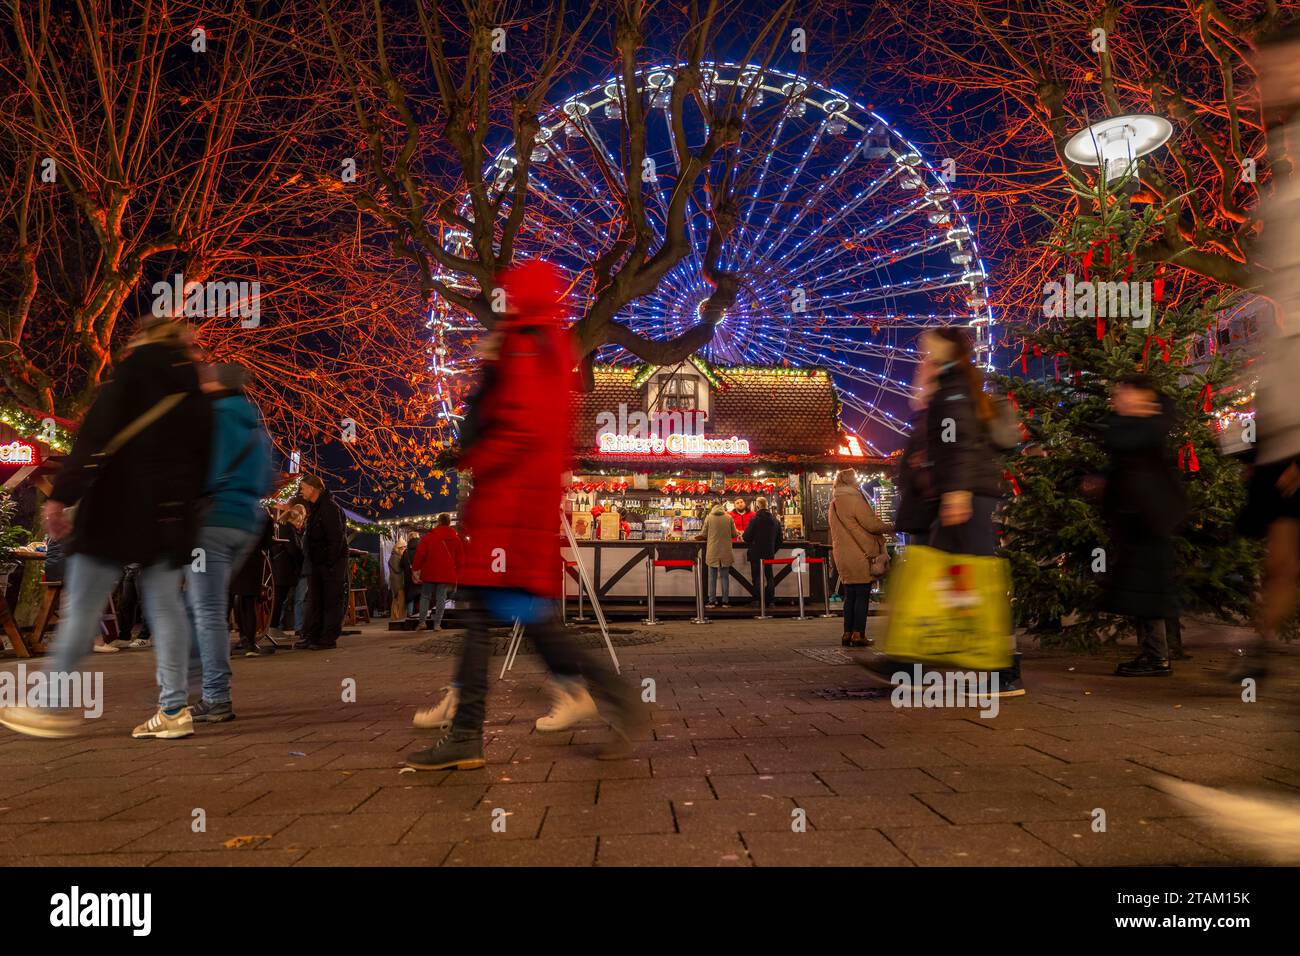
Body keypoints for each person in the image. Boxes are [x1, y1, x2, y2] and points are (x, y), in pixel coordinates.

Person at [405, 259, 644, 771]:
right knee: (532, 623)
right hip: (521, 511)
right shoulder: (552, 346)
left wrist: (478, 455)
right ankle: (614, 699)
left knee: (481, 622)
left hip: (507, 511)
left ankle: (468, 734)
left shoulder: (525, 344)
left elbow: (521, 430)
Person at [0, 316, 212, 740]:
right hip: (170, 518)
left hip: (114, 508)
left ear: (143, 337)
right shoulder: (198, 393)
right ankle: (173, 709)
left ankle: (51, 704)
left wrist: (62, 496)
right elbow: (203, 465)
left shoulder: (131, 374)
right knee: (166, 608)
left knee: (81, 608)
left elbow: (93, 440)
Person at [923, 326, 1023, 695]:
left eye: (930, 345)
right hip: (966, 492)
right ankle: (923, 660)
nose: (924, 351)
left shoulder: (955, 387)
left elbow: (959, 442)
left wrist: (957, 491)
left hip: (966, 494)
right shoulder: (956, 384)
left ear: (947, 349)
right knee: (951, 577)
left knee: (966, 576)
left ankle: (1003, 669)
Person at [183, 362, 273, 719]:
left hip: (212, 521)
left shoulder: (209, 419)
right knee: (204, 606)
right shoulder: (253, 424)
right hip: (246, 520)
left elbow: (195, 471)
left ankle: (212, 694)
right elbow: (267, 477)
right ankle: (196, 684)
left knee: (203, 610)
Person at [1100, 374, 1187, 677]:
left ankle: (1157, 658)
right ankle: (1155, 654)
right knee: (1145, 586)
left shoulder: (1145, 427)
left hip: (1149, 515)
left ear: (1142, 396)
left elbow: (1123, 442)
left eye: (1124, 393)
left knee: (1149, 587)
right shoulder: (1141, 424)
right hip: (1139, 515)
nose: (1118, 399)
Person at [828, 469, 892, 647]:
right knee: (862, 594)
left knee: (850, 595)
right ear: (850, 481)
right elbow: (871, 524)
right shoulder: (855, 499)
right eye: (855, 478)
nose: (858, 481)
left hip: (842, 554)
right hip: (861, 554)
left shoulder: (835, 502)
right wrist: (889, 526)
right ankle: (859, 634)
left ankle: (847, 633)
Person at [296, 474, 348, 650]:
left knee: (330, 601)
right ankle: (313, 636)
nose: (300, 491)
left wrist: (329, 562)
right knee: (316, 600)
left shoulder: (329, 508)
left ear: (312, 488)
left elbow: (336, 538)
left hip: (328, 565)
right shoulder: (317, 509)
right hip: (318, 563)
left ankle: (327, 638)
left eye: (303, 487)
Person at [895, 362, 939, 546]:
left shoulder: (945, 415)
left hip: (931, 507)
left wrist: (925, 462)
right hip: (922, 510)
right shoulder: (925, 419)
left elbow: (949, 447)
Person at [413, 514, 462, 630]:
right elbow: (460, 559)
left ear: (439, 522)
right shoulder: (456, 539)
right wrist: (458, 574)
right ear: (449, 523)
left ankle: (422, 622)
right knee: (441, 598)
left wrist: (416, 568)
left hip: (430, 571)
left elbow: (420, 554)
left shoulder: (429, 537)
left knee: (425, 596)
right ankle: (437, 624)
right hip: (445, 573)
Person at [268, 504, 305, 641]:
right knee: (279, 599)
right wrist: (302, 558)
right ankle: (273, 628)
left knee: (279, 599)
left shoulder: (281, 528)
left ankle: (273, 627)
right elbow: (293, 549)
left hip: (279, 568)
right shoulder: (289, 530)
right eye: (299, 521)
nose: (299, 524)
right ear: (293, 519)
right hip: (284, 569)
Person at [742, 496, 783, 608]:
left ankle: (757, 600)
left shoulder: (755, 519)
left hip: (756, 553)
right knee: (769, 576)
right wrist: (772, 550)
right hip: (769, 553)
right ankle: (770, 601)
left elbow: (746, 537)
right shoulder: (775, 520)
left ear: (757, 506)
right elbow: (780, 540)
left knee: (757, 577)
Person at [697, 502, 736, 607]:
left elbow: (704, 534)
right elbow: (734, 534)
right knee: (725, 577)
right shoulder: (729, 517)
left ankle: (712, 601)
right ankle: (725, 601)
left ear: (712, 508)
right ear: (722, 507)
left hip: (712, 550)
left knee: (712, 577)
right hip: (725, 550)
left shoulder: (709, 517)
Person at [400, 532, 421, 621]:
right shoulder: (422, 549)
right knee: (422, 596)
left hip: (409, 578)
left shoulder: (406, 551)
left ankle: (410, 616)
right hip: (421, 577)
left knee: (410, 597)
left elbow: (401, 565)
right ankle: (422, 616)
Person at [387, 535, 408, 622]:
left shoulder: (396, 556)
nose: (404, 550)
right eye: (403, 548)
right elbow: (397, 569)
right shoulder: (395, 557)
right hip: (397, 582)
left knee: (397, 600)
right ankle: (398, 617)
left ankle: (396, 617)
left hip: (397, 581)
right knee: (399, 600)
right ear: (399, 548)